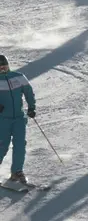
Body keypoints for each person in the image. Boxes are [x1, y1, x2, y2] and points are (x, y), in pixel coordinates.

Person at [0, 55, 36, 185]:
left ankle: (17, 171)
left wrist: (32, 107)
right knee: (2, 146)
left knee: (20, 145)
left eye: (4, 66)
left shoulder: (18, 77)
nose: (3, 69)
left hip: (19, 118)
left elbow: (28, 91)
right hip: (2, 120)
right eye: (0, 67)